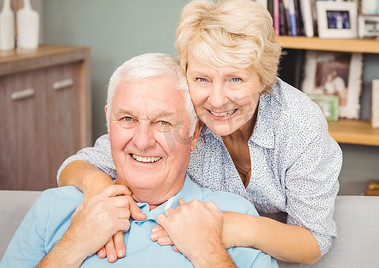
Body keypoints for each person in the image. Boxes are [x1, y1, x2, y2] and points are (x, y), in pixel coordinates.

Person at [57, 0, 342, 264]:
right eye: (202, 79)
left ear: (262, 79)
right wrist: (99, 189)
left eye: (235, 79)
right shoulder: (179, 113)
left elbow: (314, 242)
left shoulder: (299, 123)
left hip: (268, 251)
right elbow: (76, 166)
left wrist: (235, 226)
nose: (217, 101)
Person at [0, 53, 278, 268]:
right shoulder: (55, 207)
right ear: (109, 122)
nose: (143, 141)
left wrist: (209, 252)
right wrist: (71, 246)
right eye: (128, 119)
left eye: (163, 122)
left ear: (194, 134)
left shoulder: (230, 214)